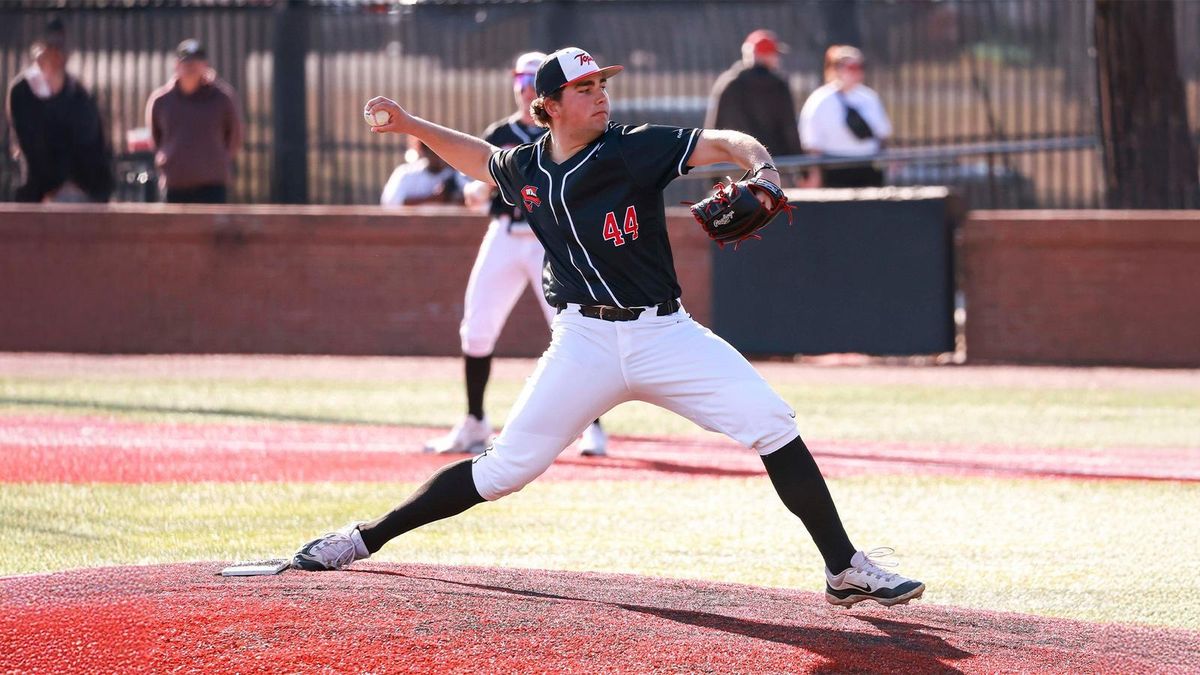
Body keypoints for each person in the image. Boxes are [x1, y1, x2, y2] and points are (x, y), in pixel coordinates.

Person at [293, 47, 924, 609]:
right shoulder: (528, 166)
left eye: (602, 85)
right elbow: (481, 160)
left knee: (772, 423)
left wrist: (764, 170)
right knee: (503, 472)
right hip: (583, 342)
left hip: (664, 335)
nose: (601, 96)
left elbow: (729, 141)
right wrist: (410, 124)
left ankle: (843, 568)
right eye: (585, 88)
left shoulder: (633, 147)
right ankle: (364, 538)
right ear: (548, 106)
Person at [424, 51, 607, 457]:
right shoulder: (500, 133)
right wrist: (477, 190)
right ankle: (474, 421)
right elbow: (477, 182)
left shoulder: (568, 132)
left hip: (551, 239)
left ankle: (592, 426)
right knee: (477, 327)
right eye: (521, 82)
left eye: (532, 82)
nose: (525, 91)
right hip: (506, 233)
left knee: (575, 331)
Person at [5, 18, 113, 203]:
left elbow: (92, 145)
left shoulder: (78, 94)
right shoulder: (22, 91)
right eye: (51, 48)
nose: (56, 56)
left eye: (60, 49)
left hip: (79, 190)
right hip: (40, 192)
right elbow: (31, 146)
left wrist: (82, 185)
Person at [145, 39, 243, 203]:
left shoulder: (222, 98)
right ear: (176, 65)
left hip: (212, 187)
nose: (190, 67)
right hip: (174, 185)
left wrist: (217, 161)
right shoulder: (161, 100)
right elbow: (156, 139)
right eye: (186, 62)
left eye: (195, 62)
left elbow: (234, 137)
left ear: (205, 65)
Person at [705, 30, 804, 177]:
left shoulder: (728, 83)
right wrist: (803, 170)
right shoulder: (778, 85)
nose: (777, 59)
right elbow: (789, 128)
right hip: (774, 168)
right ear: (764, 55)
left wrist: (714, 175)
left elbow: (715, 129)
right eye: (773, 54)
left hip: (736, 168)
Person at [798, 45, 892, 188]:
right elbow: (812, 142)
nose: (856, 72)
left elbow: (882, 133)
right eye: (851, 67)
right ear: (837, 69)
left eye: (859, 67)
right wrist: (814, 173)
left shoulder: (869, 98)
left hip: (867, 166)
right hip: (834, 167)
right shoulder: (821, 99)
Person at [380, 137, 468, 206]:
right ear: (424, 150)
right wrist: (434, 199)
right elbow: (391, 203)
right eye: (434, 151)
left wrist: (452, 198)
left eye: (443, 151)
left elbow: (472, 201)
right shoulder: (406, 173)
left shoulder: (458, 175)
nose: (439, 156)